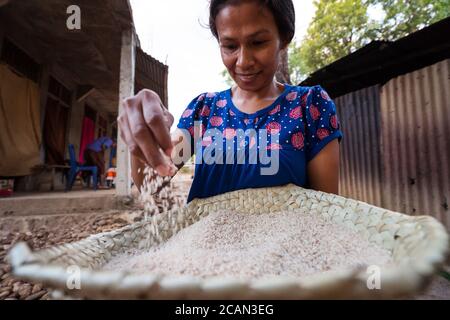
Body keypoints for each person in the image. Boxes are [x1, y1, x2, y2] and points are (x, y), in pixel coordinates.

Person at [118, 0, 343, 202]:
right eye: (230, 46)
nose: (243, 62)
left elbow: (325, 208)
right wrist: (143, 138)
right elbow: (152, 184)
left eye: (258, 42)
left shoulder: (310, 105)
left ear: (283, 39)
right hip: (206, 247)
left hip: (285, 247)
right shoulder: (204, 110)